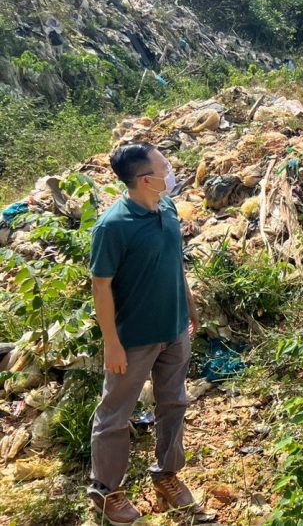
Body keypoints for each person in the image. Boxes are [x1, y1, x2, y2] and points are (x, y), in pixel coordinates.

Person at [87, 142, 211, 524]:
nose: (170, 171)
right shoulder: (113, 227)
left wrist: (189, 306)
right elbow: (101, 285)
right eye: (164, 167)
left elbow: (174, 264)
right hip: (134, 339)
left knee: (174, 402)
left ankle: (166, 475)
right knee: (115, 415)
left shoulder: (168, 209)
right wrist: (112, 341)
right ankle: (106, 493)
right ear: (145, 180)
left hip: (174, 329)